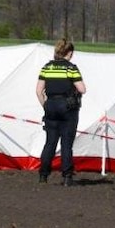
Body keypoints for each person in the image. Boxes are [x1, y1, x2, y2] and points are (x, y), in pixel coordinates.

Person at [36, 38, 87, 186]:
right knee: (66, 144)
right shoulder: (71, 68)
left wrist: (45, 106)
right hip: (67, 108)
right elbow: (82, 89)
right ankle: (67, 176)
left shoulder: (47, 67)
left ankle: (43, 175)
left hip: (50, 105)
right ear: (69, 53)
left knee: (50, 143)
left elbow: (38, 91)